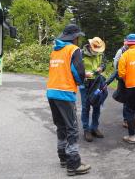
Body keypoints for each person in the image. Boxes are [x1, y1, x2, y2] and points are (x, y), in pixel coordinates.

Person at [46, 24, 91, 176]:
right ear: (75, 37)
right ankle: (73, 164)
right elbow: (78, 73)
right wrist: (83, 79)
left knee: (61, 126)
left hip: (52, 91)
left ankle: (63, 158)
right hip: (65, 93)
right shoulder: (74, 50)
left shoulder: (55, 50)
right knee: (72, 127)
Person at [105, 38, 135, 128]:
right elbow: (116, 64)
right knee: (126, 100)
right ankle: (126, 120)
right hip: (123, 78)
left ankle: (132, 119)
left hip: (132, 79)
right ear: (124, 42)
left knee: (134, 100)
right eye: (125, 41)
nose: (127, 43)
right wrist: (113, 78)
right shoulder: (120, 51)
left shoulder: (133, 51)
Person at [80, 37, 107, 142]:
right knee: (85, 107)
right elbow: (76, 68)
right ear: (90, 46)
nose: (97, 50)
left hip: (97, 82)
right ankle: (86, 130)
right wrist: (84, 74)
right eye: (95, 48)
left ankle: (94, 128)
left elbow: (104, 63)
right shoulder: (81, 53)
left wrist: (101, 68)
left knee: (97, 105)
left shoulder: (101, 53)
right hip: (85, 83)